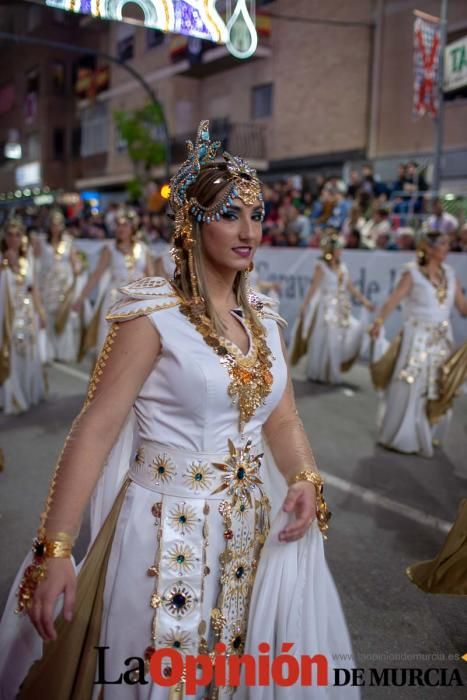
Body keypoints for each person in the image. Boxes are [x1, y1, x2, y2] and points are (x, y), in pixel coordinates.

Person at [0, 122, 358, 700]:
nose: (250, 231)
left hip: (249, 534)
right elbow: (95, 430)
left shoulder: (263, 321)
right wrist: (57, 549)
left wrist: (303, 476)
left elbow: (283, 419)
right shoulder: (153, 315)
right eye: (230, 216)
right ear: (192, 225)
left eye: (258, 215)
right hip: (166, 533)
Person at [369, 230, 467, 457]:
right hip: (416, 340)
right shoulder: (412, 273)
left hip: (441, 340)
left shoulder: (451, 275)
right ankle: (402, 436)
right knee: (411, 384)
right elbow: (393, 300)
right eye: (443, 243)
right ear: (429, 248)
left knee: (435, 385)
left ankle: (428, 431)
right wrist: (379, 321)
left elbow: (462, 308)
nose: (447, 247)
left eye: (447, 243)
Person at [290, 231, 374, 384]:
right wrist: (305, 305)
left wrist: (364, 301)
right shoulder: (321, 266)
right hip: (325, 308)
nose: (341, 250)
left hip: (341, 308)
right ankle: (321, 371)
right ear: (332, 250)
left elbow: (350, 287)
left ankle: (331, 370)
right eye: (339, 248)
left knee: (345, 335)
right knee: (326, 338)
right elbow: (313, 287)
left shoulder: (343, 266)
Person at [74, 208, 154, 356]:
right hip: (114, 300)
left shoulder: (143, 249)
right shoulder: (109, 248)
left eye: (125, 225)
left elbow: (152, 277)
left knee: (135, 341)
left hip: (138, 301)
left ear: (133, 228)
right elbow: (96, 275)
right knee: (109, 341)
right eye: (118, 225)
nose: (120, 229)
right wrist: (81, 298)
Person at [0, 218, 46, 414]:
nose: (13, 239)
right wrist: (7, 265)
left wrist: (40, 312)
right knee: (10, 352)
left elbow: (32, 287)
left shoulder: (29, 259)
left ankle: (27, 392)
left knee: (27, 351)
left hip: (26, 314)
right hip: (6, 316)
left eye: (17, 234)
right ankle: (10, 396)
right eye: (10, 234)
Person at [33, 210, 82, 363]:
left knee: (63, 316)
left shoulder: (68, 241)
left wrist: (78, 268)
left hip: (63, 285)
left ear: (62, 226)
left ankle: (64, 352)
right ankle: (48, 352)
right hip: (46, 284)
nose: (55, 227)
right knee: (47, 316)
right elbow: (34, 261)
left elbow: (75, 262)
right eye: (53, 224)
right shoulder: (42, 241)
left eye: (58, 224)